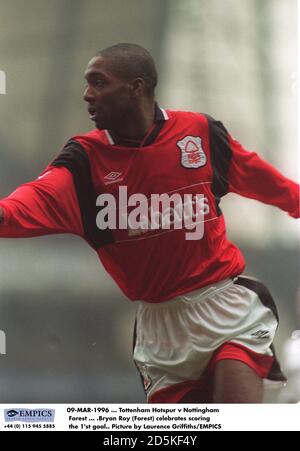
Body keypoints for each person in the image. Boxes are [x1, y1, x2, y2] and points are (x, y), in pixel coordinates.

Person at [0, 43, 299, 403]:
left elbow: (267, 182)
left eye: (98, 82)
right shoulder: (83, 163)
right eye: (87, 83)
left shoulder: (200, 133)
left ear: (136, 87)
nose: (86, 94)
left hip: (225, 306)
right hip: (160, 331)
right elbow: (17, 211)